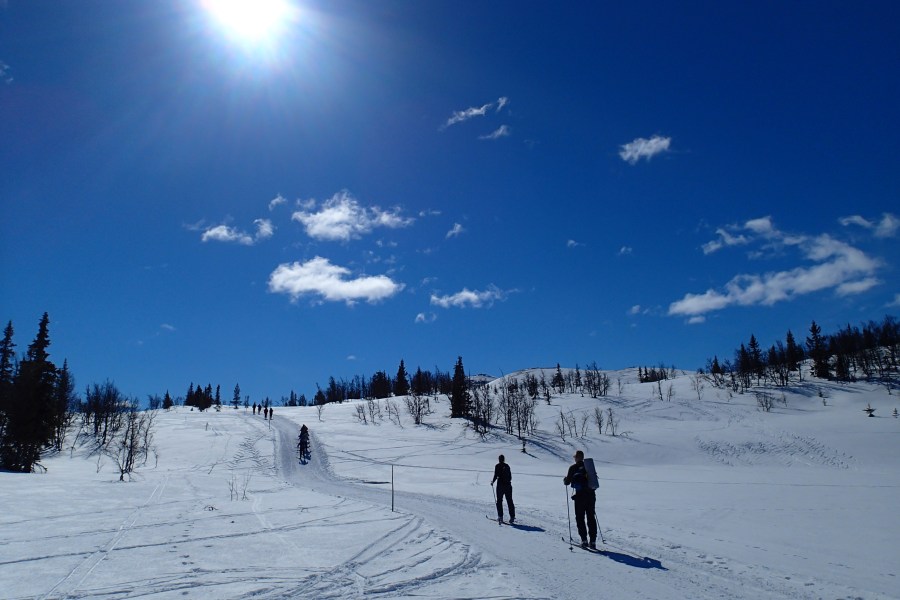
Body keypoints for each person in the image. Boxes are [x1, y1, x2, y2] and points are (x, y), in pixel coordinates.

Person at [563, 450, 597, 549]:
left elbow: (567, 482)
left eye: (575, 457)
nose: (574, 458)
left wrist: (565, 480)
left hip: (580, 497)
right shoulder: (589, 467)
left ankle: (584, 540)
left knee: (580, 518)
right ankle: (593, 541)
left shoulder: (573, 468)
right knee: (591, 517)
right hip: (591, 496)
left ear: (577, 458)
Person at [491, 454, 515, 524]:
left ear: (499, 459)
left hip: (500, 486)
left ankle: (500, 517)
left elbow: (496, 475)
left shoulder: (497, 466)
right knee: (509, 501)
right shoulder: (507, 466)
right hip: (508, 486)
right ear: (504, 459)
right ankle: (512, 517)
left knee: (499, 501)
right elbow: (510, 477)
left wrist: (493, 482)